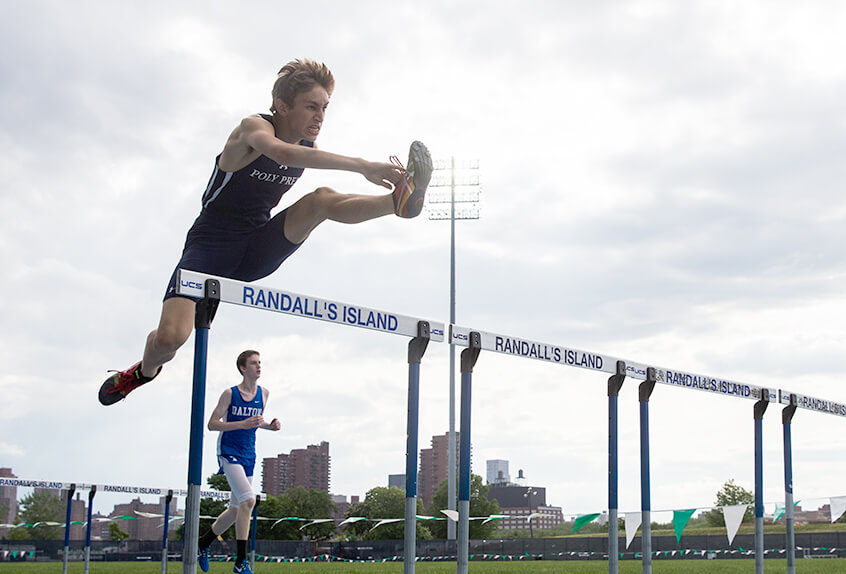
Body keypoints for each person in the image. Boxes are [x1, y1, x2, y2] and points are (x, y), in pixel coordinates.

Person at [98, 58, 431, 405]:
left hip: (257, 247)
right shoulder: (251, 130)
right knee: (169, 340)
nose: (320, 117)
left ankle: (397, 203)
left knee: (320, 201)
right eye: (311, 107)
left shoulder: (307, 148)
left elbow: (297, 159)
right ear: (282, 107)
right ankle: (142, 373)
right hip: (210, 246)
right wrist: (362, 165)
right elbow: (279, 153)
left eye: (325, 108)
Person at [197, 350, 278, 574]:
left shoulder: (265, 393)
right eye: (254, 363)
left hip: (248, 454)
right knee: (249, 501)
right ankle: (241, 560)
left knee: (235, 510)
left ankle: (203, 543)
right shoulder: (230, 394)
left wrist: (269, 426)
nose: (259, 366)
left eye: (260, 362)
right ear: (243, 368)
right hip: (229, 451)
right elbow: (212, 424)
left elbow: (256, 422)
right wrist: (241, 424)